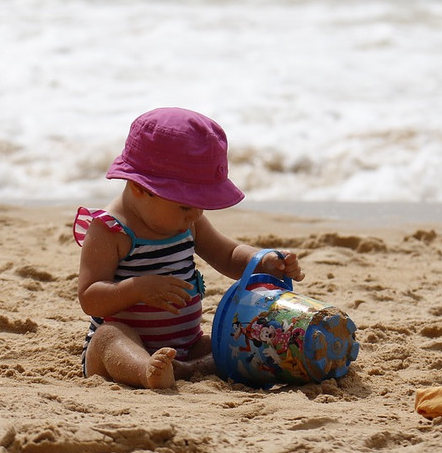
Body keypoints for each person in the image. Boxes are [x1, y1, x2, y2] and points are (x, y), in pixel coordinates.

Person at [74, 107, 303, 389]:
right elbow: (90, 298)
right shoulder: (110, 230)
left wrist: (263, 262)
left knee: (228, 344)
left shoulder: (188, 222)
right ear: (137, 187)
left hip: (185, 344)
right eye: (185, 204)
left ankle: (183, 369)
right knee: (109, 336)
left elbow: (227, 255)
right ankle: (145, 370)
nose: (195, 214)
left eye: (202, 203)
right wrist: (138, 288)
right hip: (123, 347)